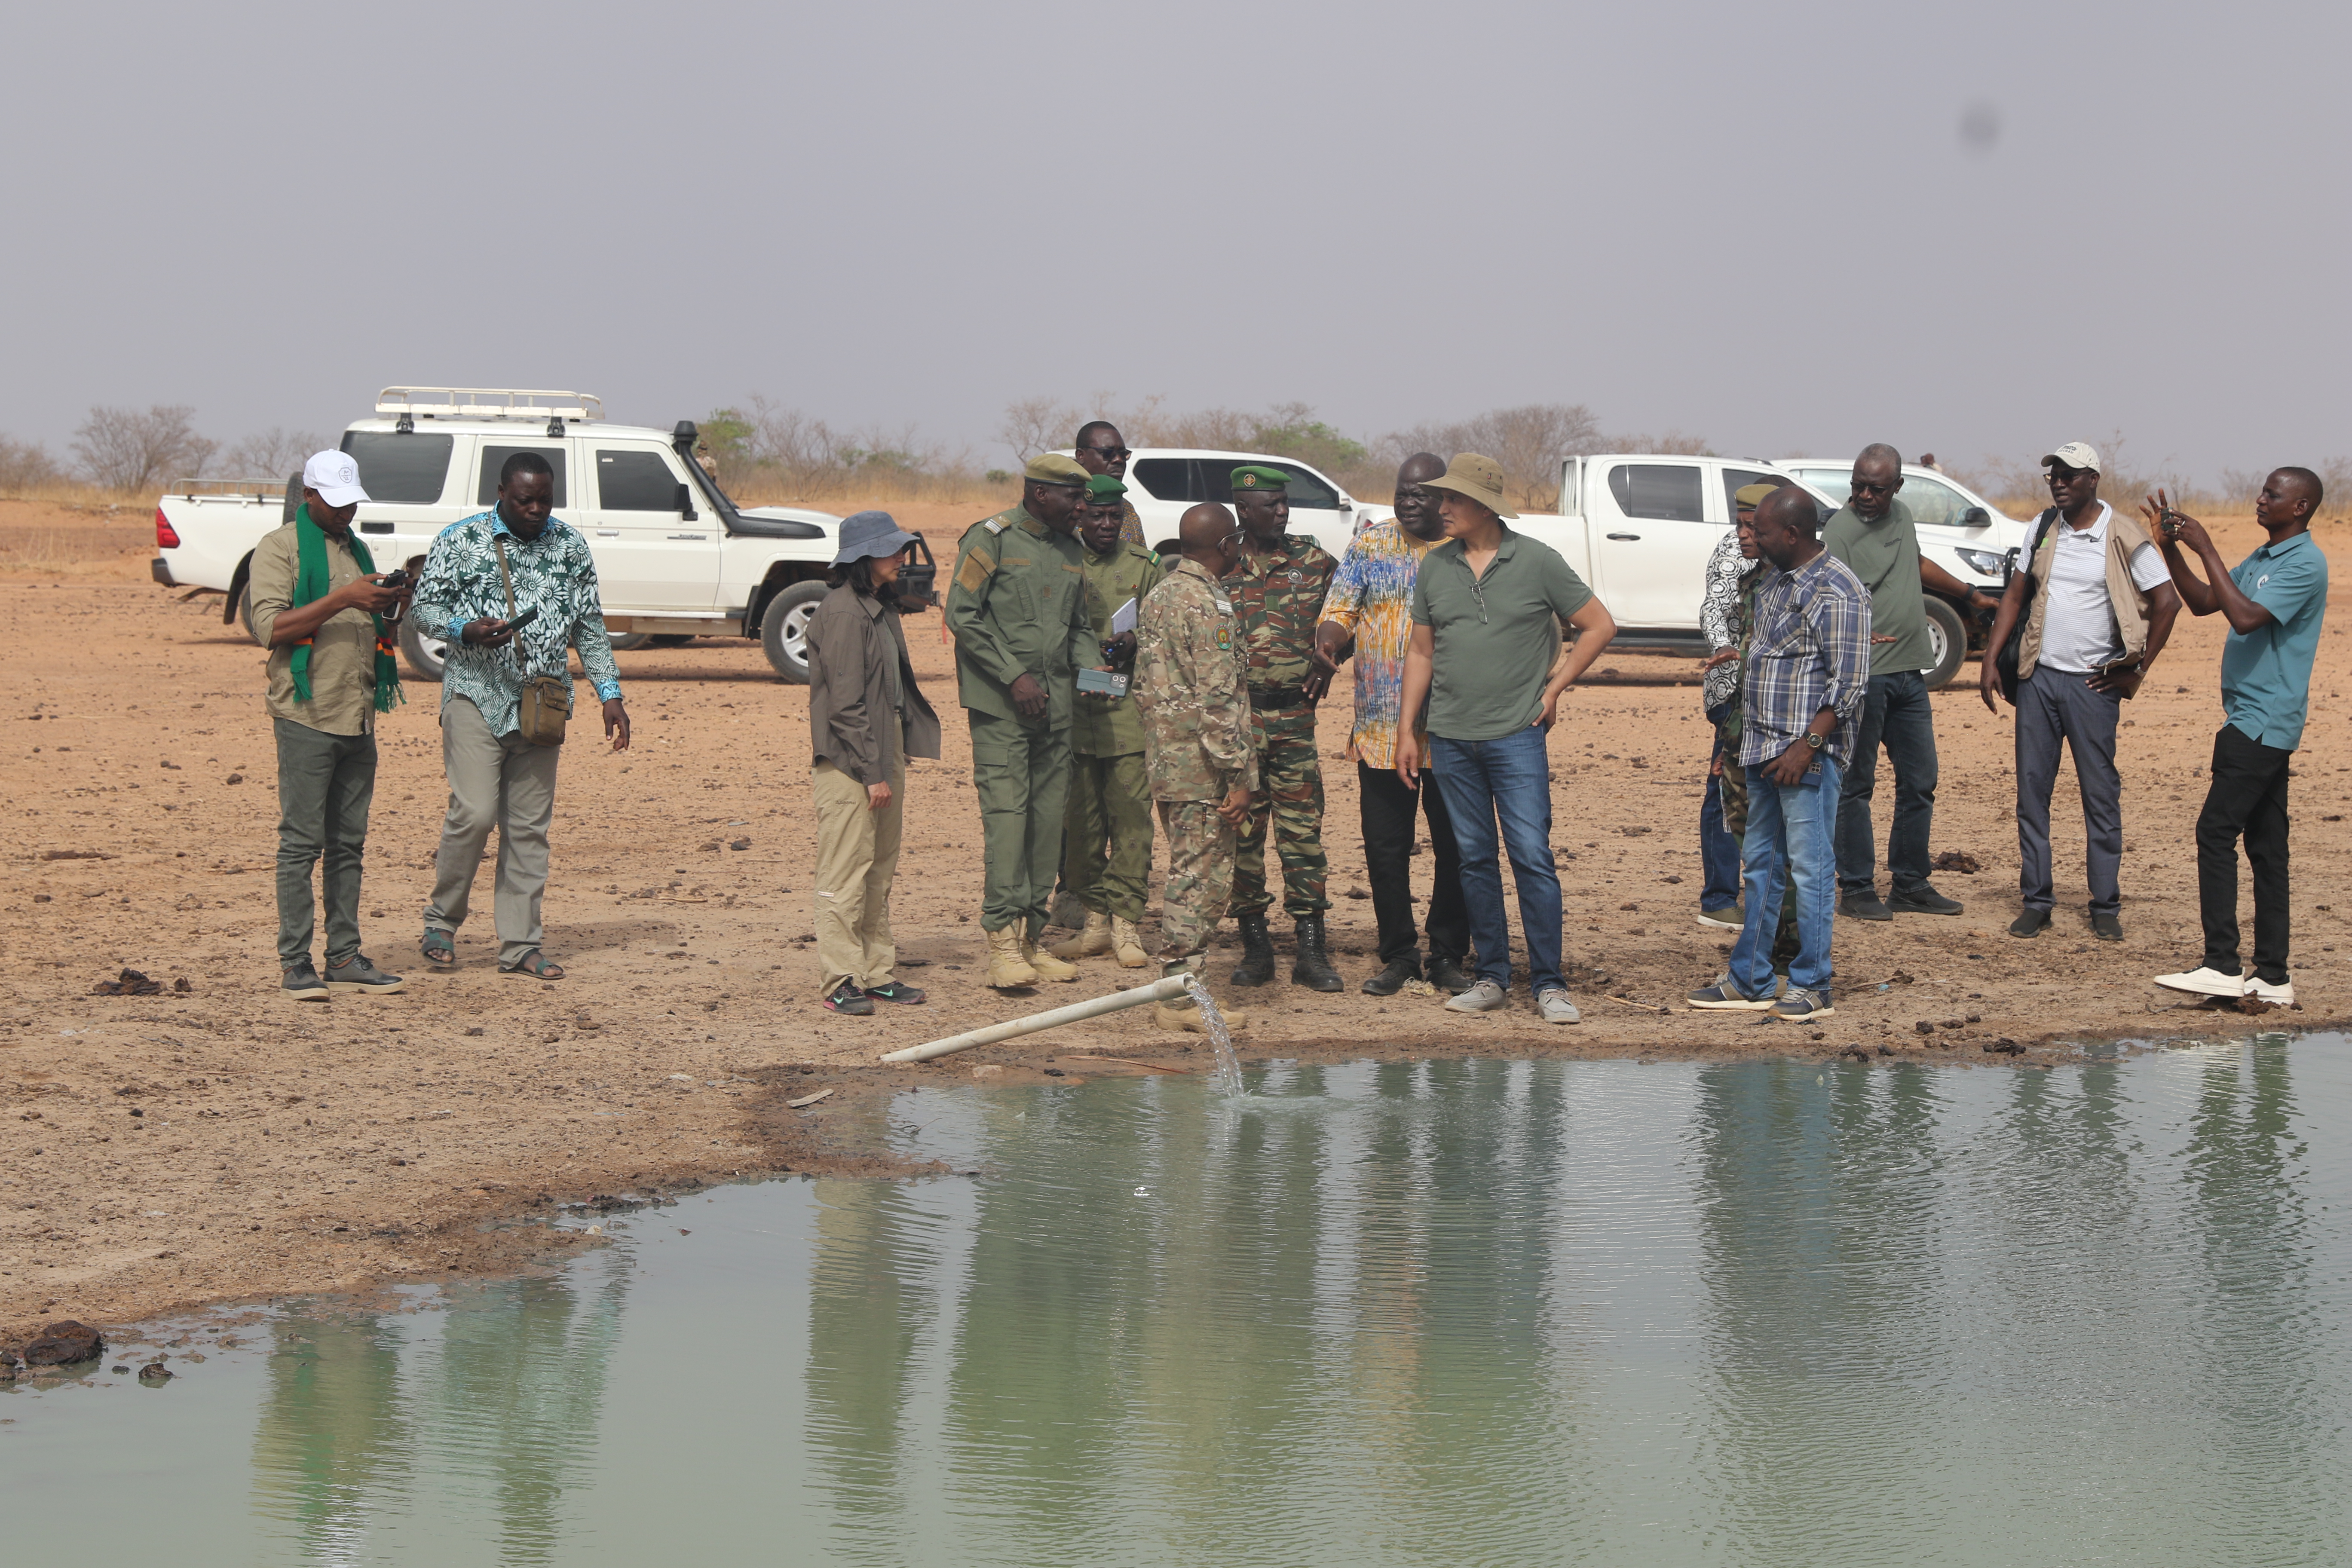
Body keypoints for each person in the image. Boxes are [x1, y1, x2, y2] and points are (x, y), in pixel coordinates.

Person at [1396, 453, 1617, 1023]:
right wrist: (1407, 730)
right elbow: (1421, 652)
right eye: (1441, 499)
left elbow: (1599, 625)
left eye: (1453, 500)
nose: (1441, 509)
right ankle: (1492, 976)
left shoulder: (1538, 561)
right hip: (1449, 737)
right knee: (1472, 858)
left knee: (1531, 857)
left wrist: (1557, 686)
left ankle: (1550, 983)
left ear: (1485, 506)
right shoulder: (1436, 568)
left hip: (1517, 736)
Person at [413, 451, 631, 981]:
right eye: (524, 500)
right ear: (501, 493)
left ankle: (520, 946)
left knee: (529, 829)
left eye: (544, 500)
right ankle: (442, 921)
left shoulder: (569, 544)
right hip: (475, 693)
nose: (535, 510)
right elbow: (423, 607)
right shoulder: (459, 540)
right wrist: (465, 629)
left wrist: (610, 692)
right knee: (476, 813)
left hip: (543, 703)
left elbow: (590, 624)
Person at [1977, 441, 2180, 941]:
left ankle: (2105, 905)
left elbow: (2168, 602)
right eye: (2054, 476)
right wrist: (1989, 657)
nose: (2059, 483)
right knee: (2032, 794)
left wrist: (2135, 672)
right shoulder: (2043, 528)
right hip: (2039, 680)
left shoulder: (2124, 535)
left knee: (2100, 796)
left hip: (2093, 686)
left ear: (2093, 480)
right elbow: (2015, 596)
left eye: (2069, 476)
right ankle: (2037, 900)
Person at [1687, 487, 1872, 1021]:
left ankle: (1814, 985)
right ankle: (1751, 978)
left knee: (1811, 870)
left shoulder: (1836, 588)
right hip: (1762, 749)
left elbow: (1851, 682)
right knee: (1760, 866)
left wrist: (1808, 746)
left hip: (1804, 756)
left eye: (1762, 531)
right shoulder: (1771, 581)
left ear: (1792, 533)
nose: (1752, 538)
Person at [2147, 469, 2329, 1005]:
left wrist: (2204, 544)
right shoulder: (2266, 557)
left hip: (2262, 720)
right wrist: (2172, 550)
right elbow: (2208, 603)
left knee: (2215, 831)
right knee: (2268, 849)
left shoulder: (2305, 562)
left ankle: (2222, 963)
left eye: (2273, 494)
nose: (2260, 498)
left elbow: (2246, 618)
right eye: (2263, 490)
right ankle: (2273, 977)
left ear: (2299, 507)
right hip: (2253, 718)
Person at [248, 449, 412, 999]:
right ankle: (296, 962)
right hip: (307, 713)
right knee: (301, 844)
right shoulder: (280, 548)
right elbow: (271, 628)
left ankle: (344, 955)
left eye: (352, 503)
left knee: (348, 844)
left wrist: (389, 604)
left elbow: (366, 627)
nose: (346, 513)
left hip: (357, 714)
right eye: (336, 504)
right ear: (310, 497)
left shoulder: (355, 548)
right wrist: (344, 596)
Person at [1311, 452, 1473, 996]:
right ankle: (1398, 955)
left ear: (1444, 497)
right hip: (1381, 730)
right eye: (1402, 491)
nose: (1408, 500)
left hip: (1453, 728)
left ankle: (1448, 954)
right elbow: (1341, 610)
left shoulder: (1465, 549)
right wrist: (1330, 640)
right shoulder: (1371, 544)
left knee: (1455, 847)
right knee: (1385, 848)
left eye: (1421, 493)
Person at [1823, 443, 1998, 920]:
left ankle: (1910, 883)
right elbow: (1827, 597)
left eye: (1875, 488)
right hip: (1865, 677)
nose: (1864, 496)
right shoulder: (1839, 531)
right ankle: (1857, 888)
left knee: (1920, 780)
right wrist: (1855, 638)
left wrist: (1971, 595)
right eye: (1858, 485)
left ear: (1896, 487)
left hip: (1909, 671)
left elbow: (1916, 565)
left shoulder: (1901, 515)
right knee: (1856, 785)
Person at [945, 452, 1099, 988]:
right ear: (1040, 495)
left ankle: (1032, 942)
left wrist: (1095, 670)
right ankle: (1001, 944)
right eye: (1074, 498)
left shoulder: (1069, 549)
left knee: (1044, 826)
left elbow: (1077, 626)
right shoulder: (990, 539)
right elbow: (960, 615)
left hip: (1056, 713)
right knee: (1009, 823)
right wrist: (1014, 677)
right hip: (1003, 710)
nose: (1083, 507)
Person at [806, 511, 942, 1015]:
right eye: (892, 550)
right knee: (845, 875)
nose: (901, 558)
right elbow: (844, 707)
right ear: (864, 558)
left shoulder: (876, 607)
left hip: (879, 760)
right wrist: (872, 773)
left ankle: (876, 974)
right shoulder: (843, 613)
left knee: (878, 872)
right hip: (852, 767)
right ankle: (840, 979)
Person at [1134, 503, 1258, 1030]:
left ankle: (1182, 991)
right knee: (1200, 880)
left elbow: (1144, 688)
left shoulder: (1160, 594)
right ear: (1226, 545)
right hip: (1204, 769)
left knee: (1192, 871)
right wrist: (1238, 776)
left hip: (1169, 762)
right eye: (1238, 541)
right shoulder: (1208, 605)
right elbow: (1218, 698)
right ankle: (1179, 1001)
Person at [1221, 464, 1343, 991]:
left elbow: (1349, 612)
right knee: (1243, 837)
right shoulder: (1217, 563)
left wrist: (1332, 652)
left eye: (1285, 503)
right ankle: (1256, 950)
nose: (1282, 511)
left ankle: (1311, 953)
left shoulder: (1313, 560)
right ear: (1242, 511)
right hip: (1239, 724)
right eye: (1270, 505)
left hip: (1295, 720)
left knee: (1302, 837)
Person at [1049, 474, 1164, 968]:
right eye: (1095, 515)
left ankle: (1126, 925)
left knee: (1132, 821)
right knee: (1082, 826)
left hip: (1126, 718)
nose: (1104, 524)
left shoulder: (1144, 566)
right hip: (1073, 715)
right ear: (1081, 516)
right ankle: (1094, 924)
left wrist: (1138, 640)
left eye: (1114, 517)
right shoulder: (1060, 562)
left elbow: (1162, 630)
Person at [1696, 481, 1783, 928]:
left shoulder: (1787, 557)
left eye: (1752, 524)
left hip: (1771, 696)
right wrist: (1728, 649)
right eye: (1740, 522)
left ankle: (1770, 895)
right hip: (1732, 692)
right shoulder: (1734, 552)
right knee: (1726, 788)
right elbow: (1713, 609)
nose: (1744, 533)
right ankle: (1719, 898)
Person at [1073, 420, 1147, 548]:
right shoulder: (1062, 510)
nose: (1118, 460)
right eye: (1108, 453)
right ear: (1081, 456)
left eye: (1123, 454)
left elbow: (1141, 563)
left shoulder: (1127, 510)